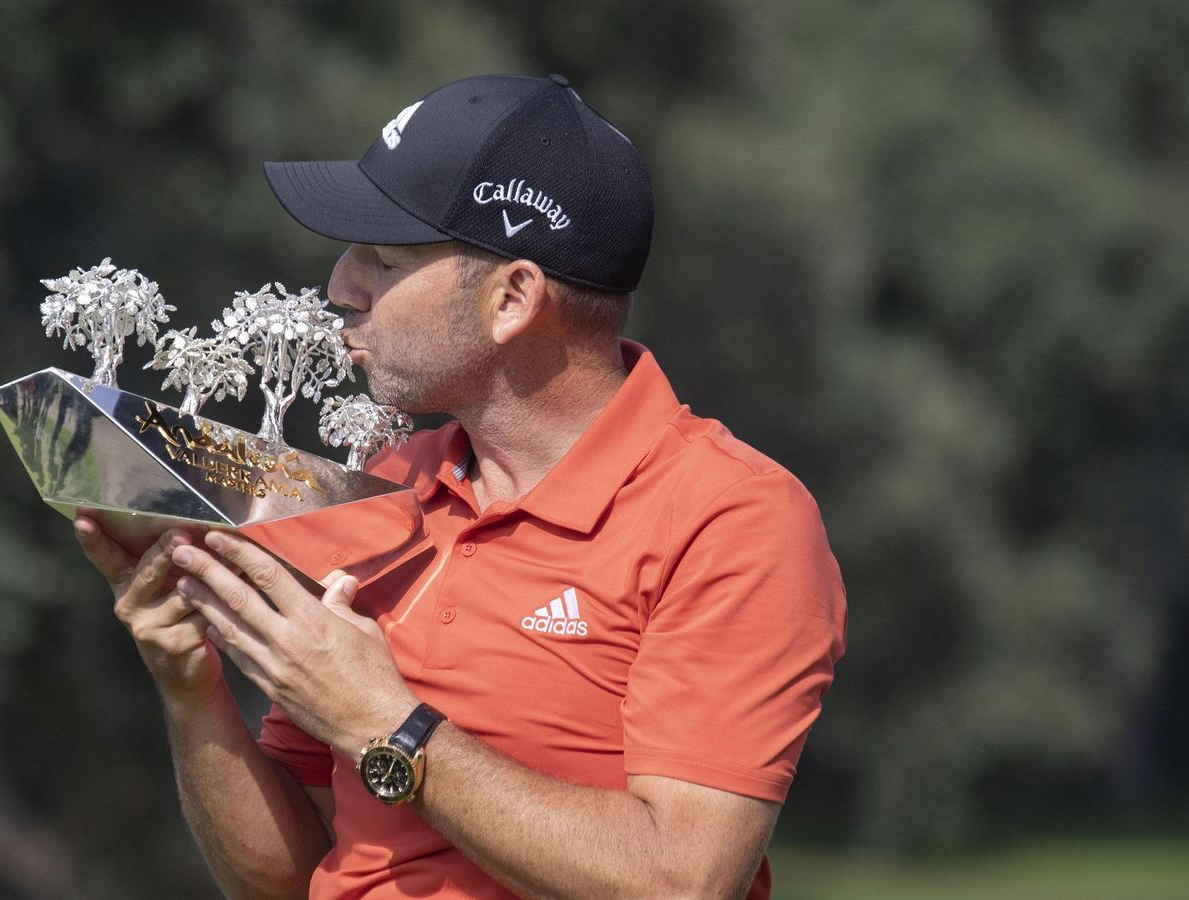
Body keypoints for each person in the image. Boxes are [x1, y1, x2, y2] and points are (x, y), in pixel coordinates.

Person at [73, 73, 847, 900]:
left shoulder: (734, 518)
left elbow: (681, 882)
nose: (341, 285)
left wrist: (385, 725)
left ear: (512, 297)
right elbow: (291, 877)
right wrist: (192, 693)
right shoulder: (386, 483)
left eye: (386, 257)